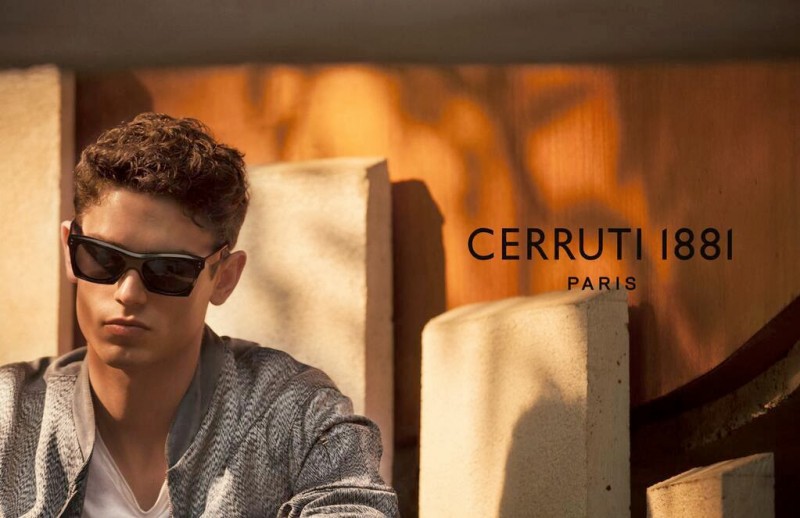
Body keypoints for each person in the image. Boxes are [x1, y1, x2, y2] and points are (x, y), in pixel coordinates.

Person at [0, 113, 398, 517]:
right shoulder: (8, 416)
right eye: (102, 258)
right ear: (69, 248)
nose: (128, 293)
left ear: (224, 278)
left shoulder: (298, 413)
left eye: (168, 270)